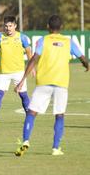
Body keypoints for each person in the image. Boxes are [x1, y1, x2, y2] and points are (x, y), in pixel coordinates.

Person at [14, 15, 89, 156]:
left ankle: (25, 141)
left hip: (43, 82)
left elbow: (34, 59)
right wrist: (86, 65)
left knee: (32, 112)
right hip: (61, 83)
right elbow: (83, 58)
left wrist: (23, 78)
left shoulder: (43, 40)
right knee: (59, 115)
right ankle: (55, 148)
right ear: (61, 28)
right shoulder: (68, 42)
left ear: (48, 26)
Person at [0, 16, 33, 126]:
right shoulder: (0, 37)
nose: (8, 28)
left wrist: (32, 67)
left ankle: (30, 119)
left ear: (15, 26)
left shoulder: (22, 37)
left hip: (19, 72)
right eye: (6, 26)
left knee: (23, 95)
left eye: (10, 26)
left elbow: (29, 52)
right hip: (4, 73)